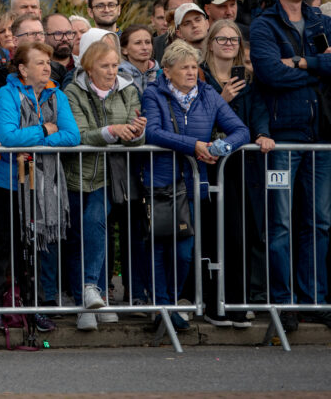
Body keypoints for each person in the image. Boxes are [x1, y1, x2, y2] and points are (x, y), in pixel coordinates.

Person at [142, 39, 249, 332]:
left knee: (184, 252)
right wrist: (195, 146)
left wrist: (220, 147)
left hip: (194, 185)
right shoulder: (154, 94)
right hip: (162, 184)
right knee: (160, 250)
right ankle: (162, 307)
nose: (191, 72)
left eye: (194, 66)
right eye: (184, 67)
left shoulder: (208, 94)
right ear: (167, 71)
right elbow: (152, 132)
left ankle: (171, 304)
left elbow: (241, 130)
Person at [250, 0, 331, 329]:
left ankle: (314, 298)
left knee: (319, 222)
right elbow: (268, 74)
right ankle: (284, 303)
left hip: (321, 139)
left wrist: (299, 63)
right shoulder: (264, 25)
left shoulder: (321, 21)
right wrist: (317, 69)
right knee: (280, 224)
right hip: (282, 141)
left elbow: (286, 71)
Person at [0, 41, 80, 329]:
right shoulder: (8, 94)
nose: (47, 67)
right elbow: (6, 136)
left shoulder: (57, 95)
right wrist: (44, 129)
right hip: (7, 182)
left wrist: (37, 142)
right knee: (4, 246)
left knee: (39, 247)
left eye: (48, 61)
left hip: (44, 182)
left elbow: (71, 136)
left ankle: (37, 307)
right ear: (22, 68)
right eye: (40, 62)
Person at [62, 41, 145, 331]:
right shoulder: (73, 91)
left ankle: (91, 290)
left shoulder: (129, 89)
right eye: (104, 66)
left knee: (95, 223)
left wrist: (136, 133)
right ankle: (84, 304)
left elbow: (136, 134)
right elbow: (80, 133)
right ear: (89, 68)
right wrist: (112, 132)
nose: (111, 71)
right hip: (77, 173)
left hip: (109, 175)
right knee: (77, 237)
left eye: (114, 65)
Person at [199, 19, 273, 328]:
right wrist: (223, 99)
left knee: (242, 233)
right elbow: (199, 121)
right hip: (211, 167)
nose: (229, 44)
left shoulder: (249, 81)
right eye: (223, 39)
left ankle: (238, 303)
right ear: (211, 43)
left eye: (234, 39)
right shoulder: (201, 79)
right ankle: (214, 304)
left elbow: (258, 114)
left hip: (243, 167)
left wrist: (263, 134)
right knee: (216, 235)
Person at [118, 24, 160, 94]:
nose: (144, 47)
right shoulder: (118, 78)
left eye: (148, 42)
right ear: (124, 50)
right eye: (138, 43)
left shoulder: (162, 75)